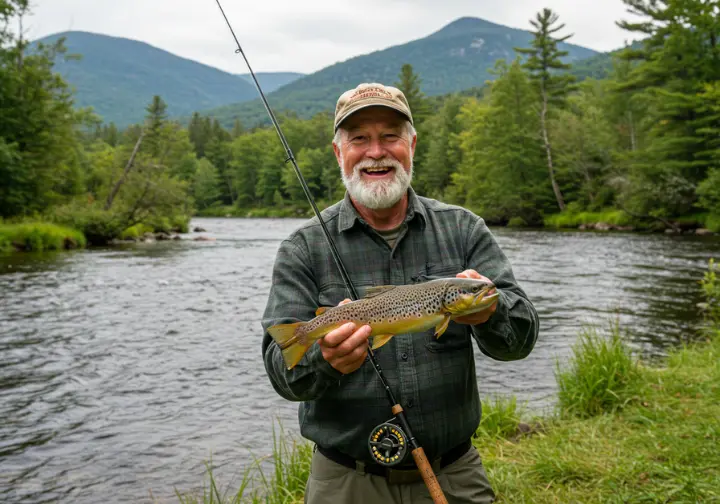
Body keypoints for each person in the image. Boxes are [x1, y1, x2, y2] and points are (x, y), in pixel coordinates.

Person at [261, 82, 539, 504]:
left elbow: (521, 340)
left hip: (454, 473)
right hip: (345, 481)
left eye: (390, 136)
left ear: (411, 145)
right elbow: (284, 375)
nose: (376, 152)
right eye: (359, 139)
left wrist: (490, 312)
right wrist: (326, 359)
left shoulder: (464, 229)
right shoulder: (303, 248)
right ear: (339, 153)